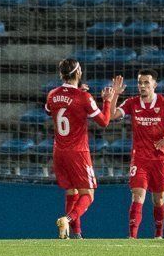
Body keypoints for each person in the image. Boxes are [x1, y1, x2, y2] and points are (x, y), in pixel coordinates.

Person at [47, 59, 118, 239]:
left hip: (59, 151)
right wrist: (107, 101)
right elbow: (104, 121)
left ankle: (76, 233)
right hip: (77, 152)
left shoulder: (52, 94)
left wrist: (78, 94)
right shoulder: (84, 97)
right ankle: (68, 219)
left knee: (72, 192)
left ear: (61, 74)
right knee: (88, 194)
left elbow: (51, 109)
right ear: (78, 73)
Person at [110, 69, 164, 239]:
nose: (142, 86)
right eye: (140, 82)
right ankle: (132, 237)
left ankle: (158, 234)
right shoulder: (132, 103)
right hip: (140, 158)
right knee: (137, 195)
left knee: (158, 199)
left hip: (160, 158)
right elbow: (111, 115)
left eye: (146, 83)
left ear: (154, 85)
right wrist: (115, 95)